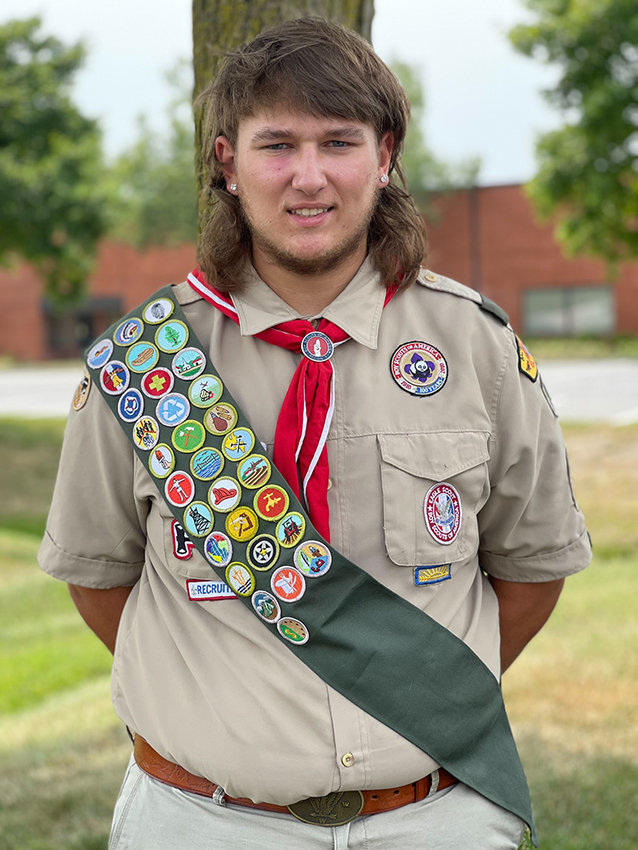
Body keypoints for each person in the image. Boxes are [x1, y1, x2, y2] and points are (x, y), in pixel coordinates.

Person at [39, 17, 591, 850]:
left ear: (385, 155)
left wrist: (415, 699)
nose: (309, 178)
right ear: (227, 163)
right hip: (199, 822)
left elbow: (531, 570)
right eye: (276, 145)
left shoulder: (476, 345)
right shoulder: (144, 365)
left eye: (338, 142)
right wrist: (228, 712)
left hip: (436, 819)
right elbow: (99, 581)